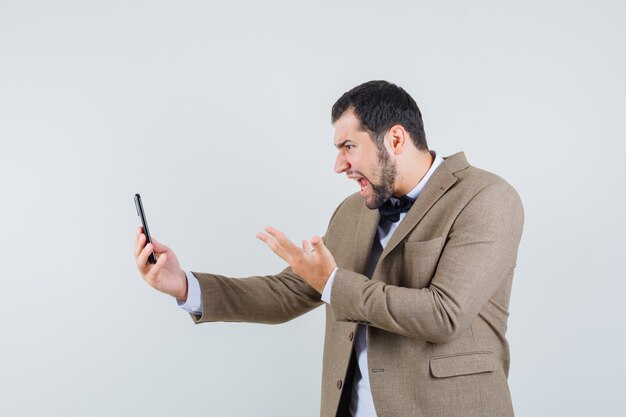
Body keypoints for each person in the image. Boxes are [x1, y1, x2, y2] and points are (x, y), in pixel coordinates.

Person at [134, 80, 524, 417]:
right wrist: (184, 286)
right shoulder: (355, 210)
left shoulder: (487, 198)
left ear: (396, 139)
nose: (339, 165)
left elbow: (444, 314)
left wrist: (334, 284)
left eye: (349, 146)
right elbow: (291, 292)